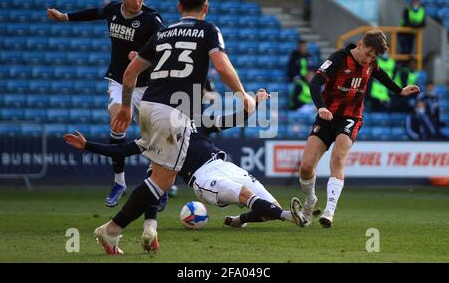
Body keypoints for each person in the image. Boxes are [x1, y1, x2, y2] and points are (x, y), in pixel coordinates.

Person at [93, 0, 257, 254]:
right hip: (175, 113)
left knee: (157, 177)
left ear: (179, 6)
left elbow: (130, 72)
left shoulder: (163, 31)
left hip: (147, 107)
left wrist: (124, 106)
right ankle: (111, 229)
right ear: (206, 7)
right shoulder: (208, 30)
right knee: (162, 182)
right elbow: (221, 64)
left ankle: (128, 229)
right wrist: (243, 95)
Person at [64, 89, 305, 254]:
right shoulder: (152, 138)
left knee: (267, 207)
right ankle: (290, 217)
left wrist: (255, 105)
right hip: (203, 177)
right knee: (245, 195)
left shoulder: (197, 122)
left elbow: (233, 120)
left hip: (225, 165)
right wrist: (87, 145)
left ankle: (238, 219)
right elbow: (120, 151)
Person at [47, 0, 164, 207]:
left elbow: (164, 45)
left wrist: (144, 54)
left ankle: (158, 186)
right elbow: (93, 13)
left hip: (146, 85)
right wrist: (65, 17)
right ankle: (119, 181)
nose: (137, 2)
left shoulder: (152, 19)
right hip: (118, 80)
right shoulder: (112, 10)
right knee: (116, 116)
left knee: (153, 137)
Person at [297, 29, 420, 228]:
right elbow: (315, 82)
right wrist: (321, 107)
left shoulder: (371, 63)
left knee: (338, 157)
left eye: (374, 57)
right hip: (326, 115)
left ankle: (329, 211)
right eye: (368, 53)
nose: (369, 59)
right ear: (360, 44)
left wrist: (399, 90)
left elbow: (381, 75)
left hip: (351, 116)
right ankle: (310, 201)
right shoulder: (339, 58)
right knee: (306, 167)